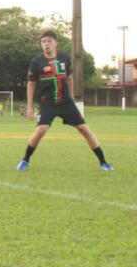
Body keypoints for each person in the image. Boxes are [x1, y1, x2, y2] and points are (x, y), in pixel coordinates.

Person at [16, 30, 113, 171]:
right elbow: (31, 85)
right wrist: (29, 107)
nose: (46, 44)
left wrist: (71, 99)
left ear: (56, 43)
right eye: (43, 42)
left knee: (84, 129)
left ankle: (103, 162)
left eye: (49, 41)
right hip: (47, 102)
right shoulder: (36, 62)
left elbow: (69, 78)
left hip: (65, 101)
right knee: (41, 130)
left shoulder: (65, 59)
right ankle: (25, 160)